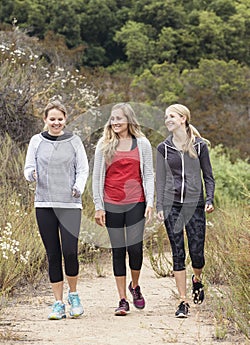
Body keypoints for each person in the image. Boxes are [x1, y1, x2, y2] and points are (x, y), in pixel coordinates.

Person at [24, 99, 89, 320]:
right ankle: (58, 303)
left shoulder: (74, 141)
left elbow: (82, 169)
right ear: (45, 119)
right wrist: (31, 175)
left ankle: (74, 296)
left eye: (60, 119)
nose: (56, 122)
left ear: (65, 120)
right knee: (53, 254)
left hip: (70, 204)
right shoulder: (36, 141)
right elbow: (29, 167)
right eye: (52, 119)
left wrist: (78, 187)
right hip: (44, 204)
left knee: (70, 251)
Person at [92, 103, 154, 316]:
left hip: (136, 202)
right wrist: (99, 206)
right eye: (112, 118)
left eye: (119, 118)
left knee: (135, 249)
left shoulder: (142, 143)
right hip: (112, 203)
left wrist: (151, 202)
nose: (115, 122)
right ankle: (122, 300)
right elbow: (97, 176)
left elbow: (148, 174)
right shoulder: (104, 144)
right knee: (118, 251)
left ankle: (134, 286)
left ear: (129, 120)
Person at [156, 103, 215, 318]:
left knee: (197, 254)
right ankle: (183, 301)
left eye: (172, 116)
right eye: (166, 116)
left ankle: (197, 279)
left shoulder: (200, 146)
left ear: (183, 119)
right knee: (178, 252)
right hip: (172, 205)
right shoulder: (163, 148)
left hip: (195, 206)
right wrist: (160, 205)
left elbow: (208, 176)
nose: (168, 119)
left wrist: (209, 198)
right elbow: (160, 180)